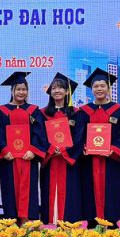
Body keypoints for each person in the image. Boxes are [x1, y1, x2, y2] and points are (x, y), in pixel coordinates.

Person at [78, 68, 120, 224]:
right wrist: (83, 147)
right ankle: (92, 227)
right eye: (96, 86)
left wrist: (113, 149)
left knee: (112, 190)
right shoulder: (83, 111)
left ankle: (111, 226)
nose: (99, 89)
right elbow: (77, 135)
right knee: (89, 190)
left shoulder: (119, 111)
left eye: (102, 85)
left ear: (109, 88)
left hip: (111, 161)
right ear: (91, 89)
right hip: (89, 161)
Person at [0, 72, 48, 224]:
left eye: (24, 89)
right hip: (9, 160)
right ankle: (11, 225)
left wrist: (33, 150)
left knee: (29, 191)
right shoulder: (1, 111)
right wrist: (4, 150)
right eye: (18, 89)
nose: (21, 92)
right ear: (12, 91)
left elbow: (40, 134)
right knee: (9, 190)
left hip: (28, 159)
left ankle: (27, 224)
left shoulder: (34, 110)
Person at [40, 73, 82, 224]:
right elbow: (39, 135)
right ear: (50, 91)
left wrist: (64, 150)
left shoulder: (76, 113)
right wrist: (50, 149)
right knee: (48, 193)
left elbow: (79, 136)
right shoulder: (42, 113)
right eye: (54, 88)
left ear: (67, 92)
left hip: (68, 162)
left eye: (61, 88)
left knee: (70, 195)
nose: (57, 90)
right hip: (50, 161)